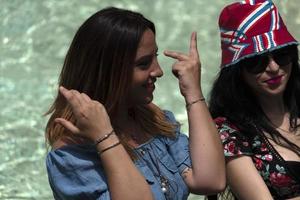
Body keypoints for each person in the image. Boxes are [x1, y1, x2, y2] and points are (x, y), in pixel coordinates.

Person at [45, 7, 225, 200]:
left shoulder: (152, 120)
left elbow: (211, 180)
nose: (158, 71)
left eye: (155, 57)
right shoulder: (72, 154)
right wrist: (105, 138)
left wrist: (193, 94)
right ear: (106, 73)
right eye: (143, 63)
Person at [207, 0, 300, 199]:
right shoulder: (229, 132)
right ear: (236, 70)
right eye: (255, 61)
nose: (273, 67)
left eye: (281, 54)